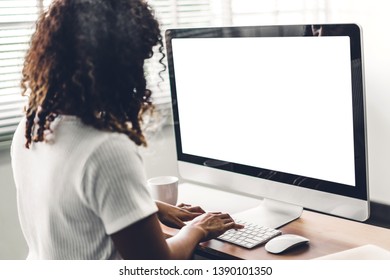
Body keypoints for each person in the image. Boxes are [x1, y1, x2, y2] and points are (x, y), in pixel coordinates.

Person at [10, 0, 242, 260]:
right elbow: (156, 266)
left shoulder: (32, 128)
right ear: (116, 66)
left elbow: (73, 206)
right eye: (139, 60)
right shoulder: (105, 149)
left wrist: (151, 208)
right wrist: (196, 229)